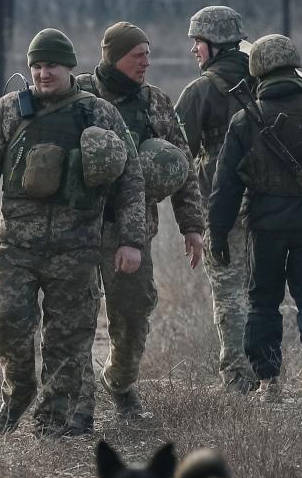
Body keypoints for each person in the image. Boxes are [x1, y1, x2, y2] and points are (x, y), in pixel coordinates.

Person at [0, 28, 146, 437]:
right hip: (15, 246)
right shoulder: (9, 111)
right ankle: (18, 391)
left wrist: (131, 241)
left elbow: (131, 179)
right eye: (37, 66)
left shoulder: (99, 113)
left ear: (69, 68)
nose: (44, 73)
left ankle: (51, 421)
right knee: (7, 321)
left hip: (76, 248)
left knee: (69, 339)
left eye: (52, 66)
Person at [207, 34, 302, 405]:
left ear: (257, 70)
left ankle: (269, 381)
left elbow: (225, 185)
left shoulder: (245, 119)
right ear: (294, 64)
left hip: (265, 229)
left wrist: (217, 234)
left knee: (263, 303)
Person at [70, 22, 205, 433]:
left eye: (148, 53)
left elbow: (183, 169)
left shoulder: (156, 105)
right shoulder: (77, 96)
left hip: (131, 231)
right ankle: (78, 401)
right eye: (137, 55)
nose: (146, 61)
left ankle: (121, 384)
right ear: (113, 56)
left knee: (132, 315)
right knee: (73, 316)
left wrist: (192, 226)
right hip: (75, 229)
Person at [175, 6, 255, 394]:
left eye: (198, 42)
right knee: (264, 289)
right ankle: (268, 375)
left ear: (215, 45)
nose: (194, 50)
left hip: (221, 205)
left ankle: (238, 377)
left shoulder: (201, 90)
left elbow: (177, 153)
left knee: (228, 291)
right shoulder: (266, 80)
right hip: (273, 204)